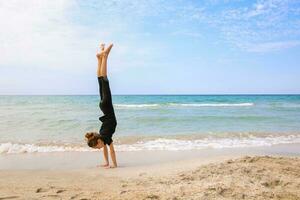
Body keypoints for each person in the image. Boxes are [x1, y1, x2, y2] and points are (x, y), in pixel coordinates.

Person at [85, 43, 117, 168]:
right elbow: (106, 149)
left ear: (98, 141)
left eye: (96, 147)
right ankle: (100, 57)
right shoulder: (101, 135)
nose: (99, 149)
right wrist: (107, 163)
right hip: (103, 107)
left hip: (107, 106)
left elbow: (112, 151)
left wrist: (114, 165)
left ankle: (104, 56)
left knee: (104, 79)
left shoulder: (106, 138)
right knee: (100, 81)